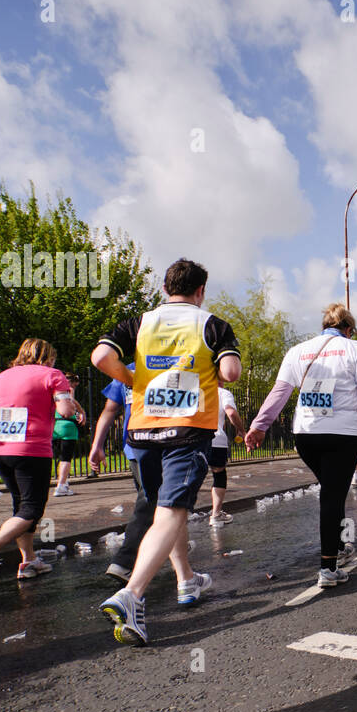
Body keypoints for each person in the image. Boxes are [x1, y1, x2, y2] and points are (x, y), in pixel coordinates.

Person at [91, 258, 242, 646]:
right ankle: (132, 593)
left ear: (164, 289)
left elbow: (100, 358)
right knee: (172, 511)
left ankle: (186, 580)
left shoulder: (139, 322)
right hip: (187, 432)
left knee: (164, 511)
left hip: (142, 431)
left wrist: (133, 379)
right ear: (200, 291)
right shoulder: (211, 324)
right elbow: (230, 374)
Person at [245, 304, 357, 586]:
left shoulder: (298, 351)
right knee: (331, 494)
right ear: (349, 329)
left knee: (334, 490)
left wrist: (259, 425)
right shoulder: (354, 349)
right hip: (342, 434)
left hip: (306, 435)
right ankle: (328, 567)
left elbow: (280, 393)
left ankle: (340, 547)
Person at [0, 338, 79, 585]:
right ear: (49, 357)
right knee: (33, 508)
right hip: (32, 449)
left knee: (21, 505)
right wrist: (72, 407)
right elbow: (66, 411)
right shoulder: (53, 375)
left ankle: (28, 560)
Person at [88, 361, 153, 583]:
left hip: (134, 447)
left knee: (158, 504)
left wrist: (97, 444)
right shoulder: (176, 362)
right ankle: (124, 561)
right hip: (162, 445)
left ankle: (175, 552)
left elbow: (109, 410)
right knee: (153, 503)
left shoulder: (127, 369)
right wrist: (97, 445)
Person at [207, 386, 246, 527]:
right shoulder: (222, 392)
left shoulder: (190, 386)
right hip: (215, 439)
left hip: (190, 439)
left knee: (187, 479)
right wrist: (241, 430)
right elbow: (231, 413)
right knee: (219, 474)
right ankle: (216, 515)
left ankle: (178, 523)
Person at [51, 372, 85, 496]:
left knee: (55, 456)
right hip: (68, 426)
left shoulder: (53, 390)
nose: (76, 386)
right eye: (75, 382)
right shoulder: (68, 390)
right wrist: (82, 412)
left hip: (54, 425)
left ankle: (63, 482)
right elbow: (71, 402)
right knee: (65, 458)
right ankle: (60, 486)